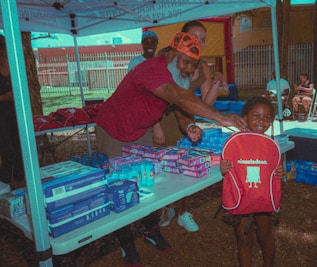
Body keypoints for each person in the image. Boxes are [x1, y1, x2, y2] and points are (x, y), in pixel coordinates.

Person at [95, 32, 247, 266]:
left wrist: (190, 126)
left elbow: (178, 107)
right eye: (186, 63)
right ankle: (126, 242)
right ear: (171, 54)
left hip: (139, 130)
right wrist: (220, 117)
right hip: (114, 129)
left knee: (146, 181)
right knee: (119, 184)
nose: (188, 70)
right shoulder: (152, 69)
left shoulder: (174, 77)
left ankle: (150, 229)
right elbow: (176, 95)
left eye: (193, 66)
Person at [157, 20, 228, 232]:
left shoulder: (203, 65)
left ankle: (182, 212)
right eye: (194, 37)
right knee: (162, 168)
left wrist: (216, 82)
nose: (199, 42)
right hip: (161, 119)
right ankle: (166, 207)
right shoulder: (167, 59)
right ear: (182, 37)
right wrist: (155, 127)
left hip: (186, 121)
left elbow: (205, 105)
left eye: (203, 39)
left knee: (184, 168)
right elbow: (151, 97)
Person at [220, 96, 286, 267]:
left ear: (271, 122)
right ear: (245, 117)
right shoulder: (235, 142)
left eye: (266, 118)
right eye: (255, 116)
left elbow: (278, 170)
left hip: (262, 198)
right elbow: (227, 166)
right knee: (243, 239)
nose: (261, 121)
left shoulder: (273, 143)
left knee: (265, 235)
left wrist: (280, 172)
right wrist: (224, 168)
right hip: (241, 197)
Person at [0, 35, 26, 190]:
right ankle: (3, 185)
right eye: (4, 49)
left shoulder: (12, 65)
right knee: (8, 153)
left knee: (20, 148)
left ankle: (20, 180)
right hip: (1, 118)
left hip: (14, 115)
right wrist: (4, 97)